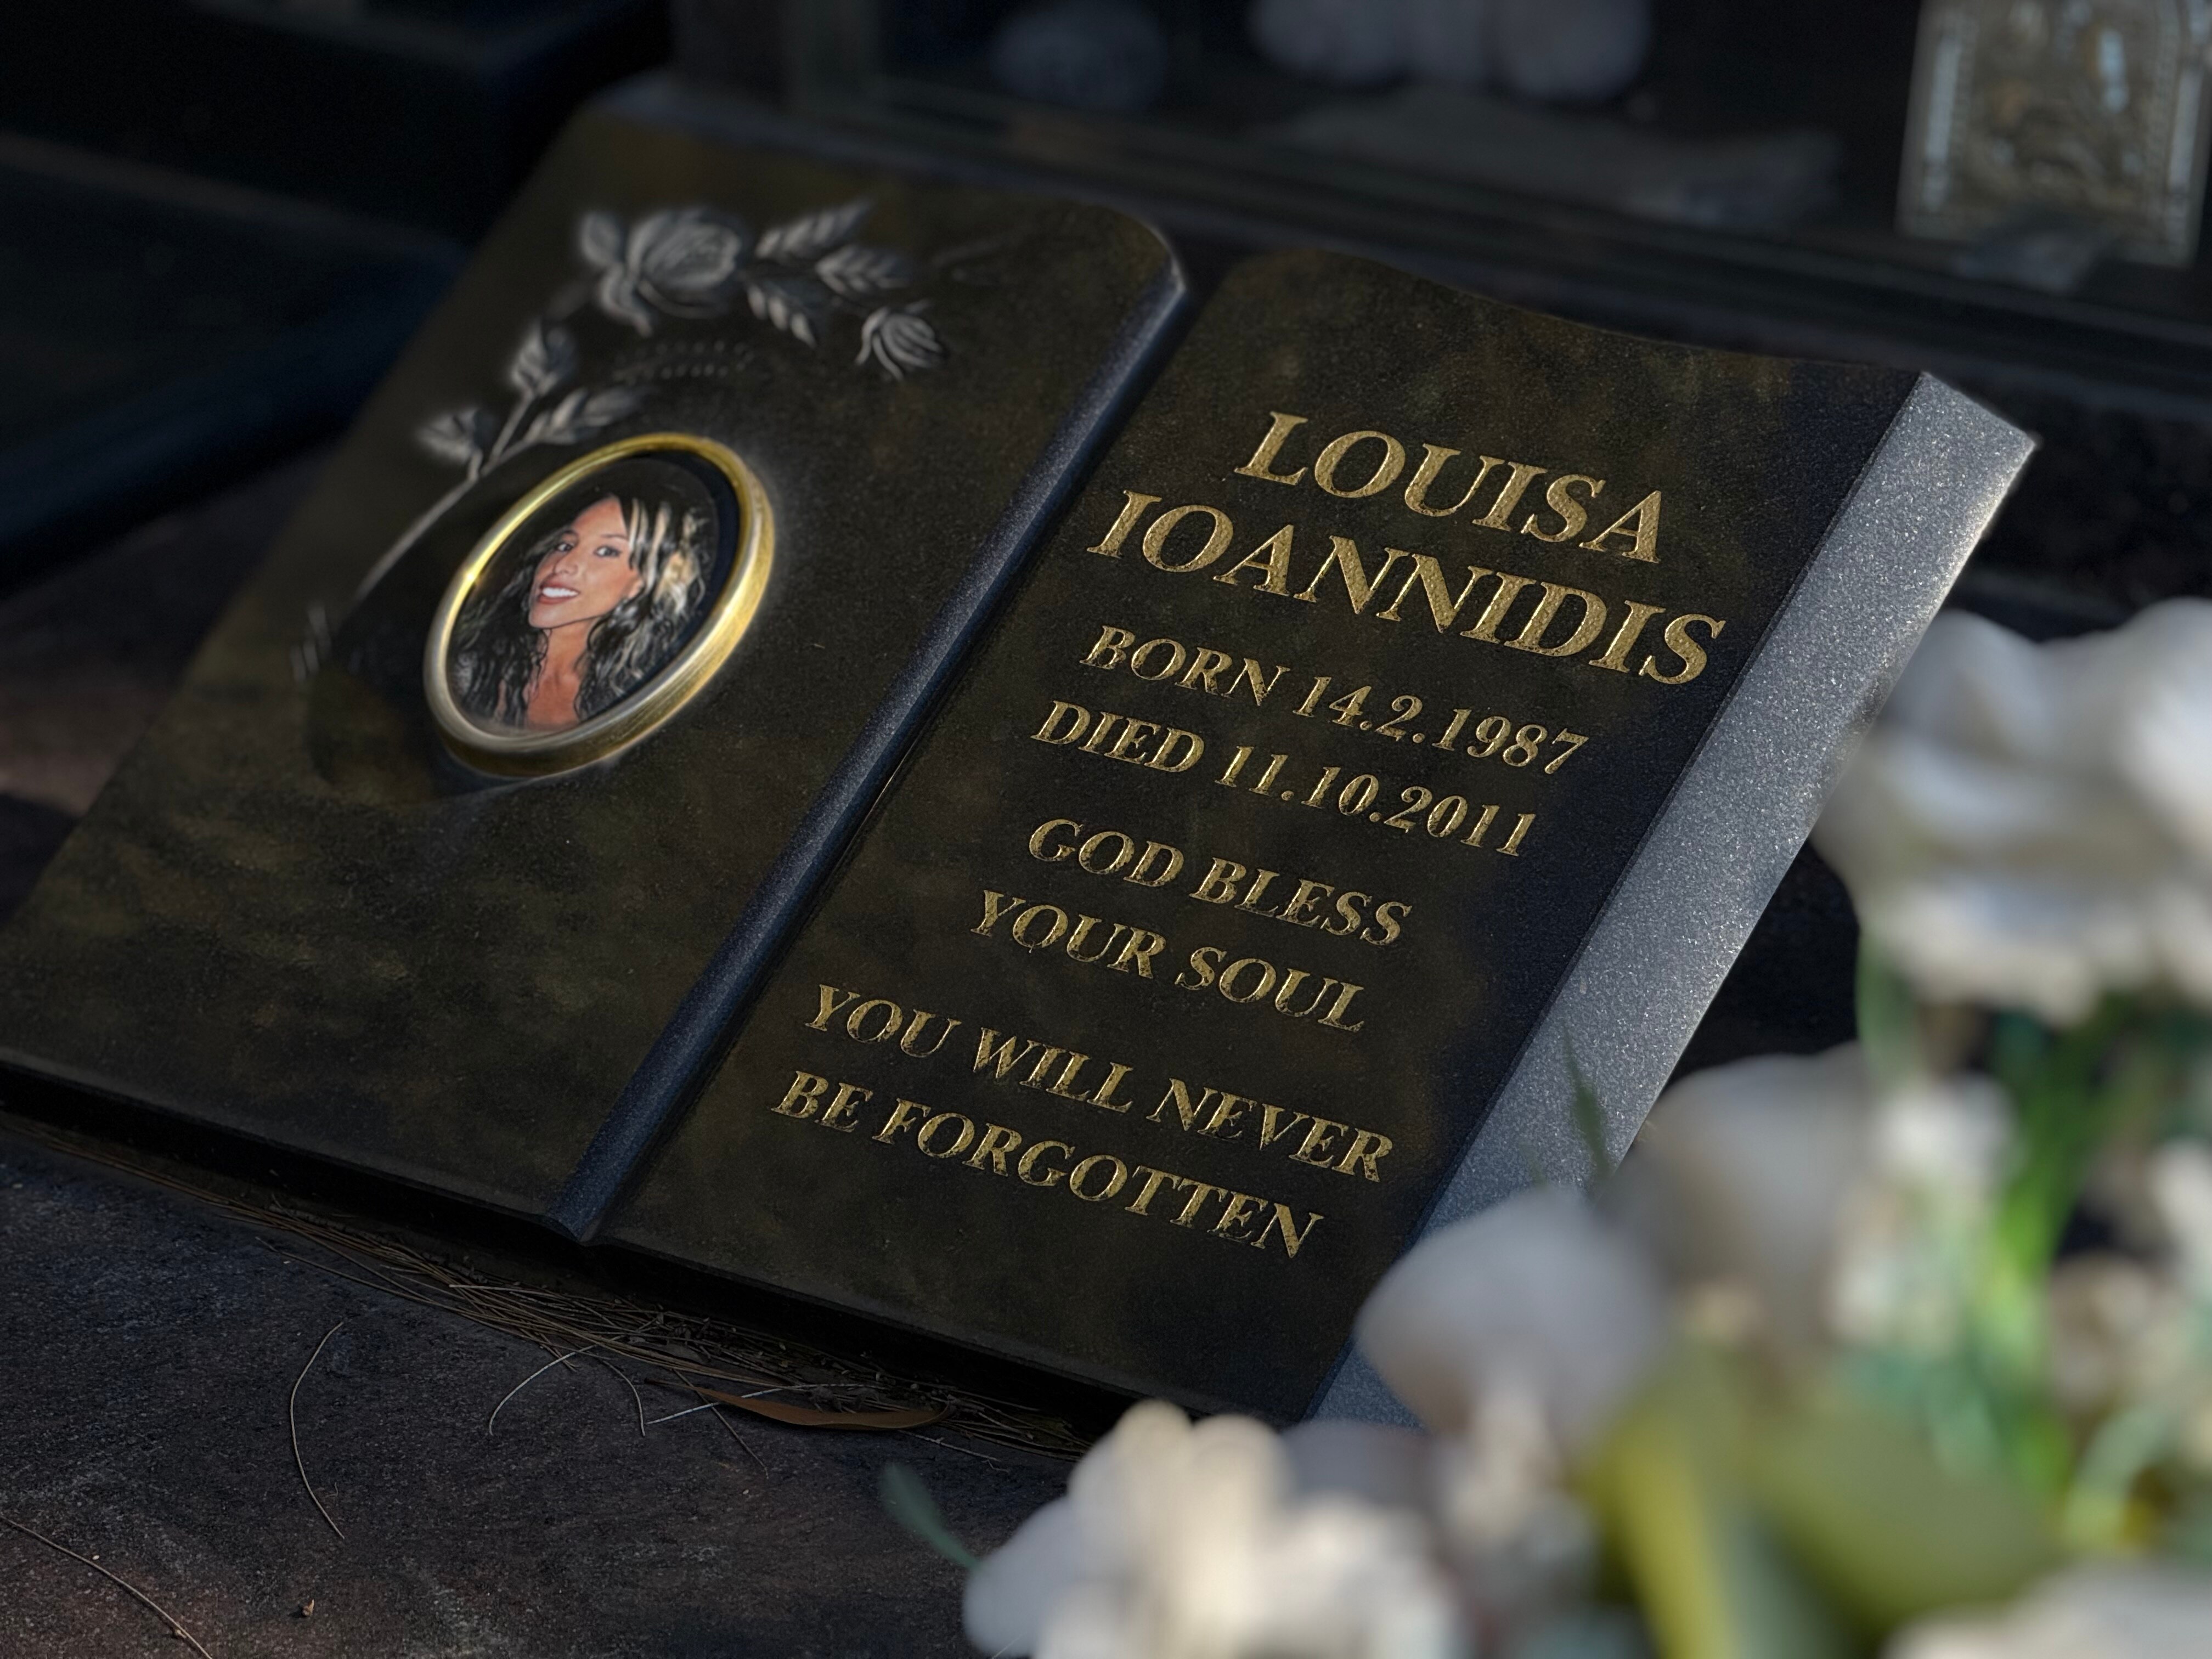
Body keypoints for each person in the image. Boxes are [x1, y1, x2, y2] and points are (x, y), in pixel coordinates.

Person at [450, 489, 709, 732]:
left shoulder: (632, 699)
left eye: (606, 551)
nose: (563, 564)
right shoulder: (468, 670)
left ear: (640, 585)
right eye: (565, 545)